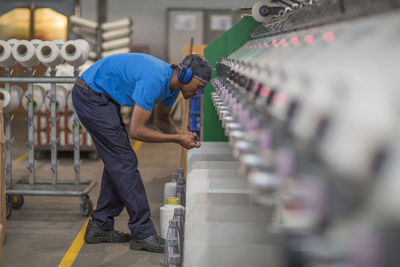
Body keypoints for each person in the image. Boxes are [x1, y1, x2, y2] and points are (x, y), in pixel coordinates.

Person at [71, 53, 211, 253]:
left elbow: (162, 121)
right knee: (124, 161)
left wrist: (182, 136)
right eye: (198, 87)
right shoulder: (154, 80)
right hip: (90, 94)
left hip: (102, 96)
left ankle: (100, 225)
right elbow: (136, 131)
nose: (198, 92)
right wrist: (177, 139)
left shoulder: (172, 87)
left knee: (118, 161)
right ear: (186, 76)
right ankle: (143, 233)